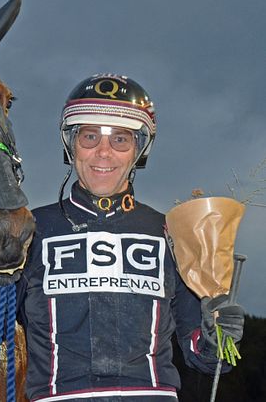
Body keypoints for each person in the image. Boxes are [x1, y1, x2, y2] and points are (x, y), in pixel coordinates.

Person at [13, 74, 245, 401]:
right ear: (70, 144)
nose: (103, 153)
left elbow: (203, 358)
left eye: (120, 139)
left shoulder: (174, 233)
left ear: (140, 149)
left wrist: (217, 336)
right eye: (90, 136)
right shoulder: (27, 229)